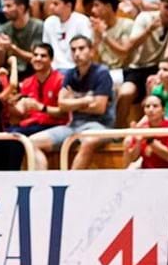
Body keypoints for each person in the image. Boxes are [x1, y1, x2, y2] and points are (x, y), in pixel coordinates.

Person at [27, 35, 114, 169]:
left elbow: (99, 107)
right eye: (73, 50)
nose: (77, 53)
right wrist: (85, 100)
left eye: (81, 49)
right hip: (73, 125)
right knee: (31, 142)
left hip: (99, 125)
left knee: (88, 141)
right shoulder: (69, 74)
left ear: (91, 51)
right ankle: (42, 183)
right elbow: (62, 105)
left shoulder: (102, 73)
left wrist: (72, 103)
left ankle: (70, 184)